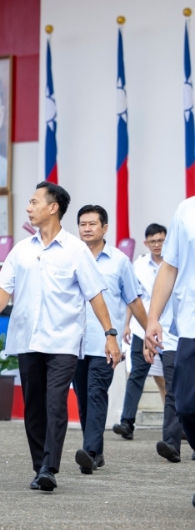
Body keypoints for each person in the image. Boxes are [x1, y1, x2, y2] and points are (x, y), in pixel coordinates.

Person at [0, 181, 120, 493]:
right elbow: (5, 288)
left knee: (56, 403)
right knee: (33, 407)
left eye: (34, 202)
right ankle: (38, 465)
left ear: (53, 207)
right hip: (27, 341)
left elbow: (95, 296)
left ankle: (49, 466)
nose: (29, 208)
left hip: (63, 342)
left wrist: (109, 334)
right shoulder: (22, 250)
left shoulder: (75, 250)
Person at [73, 205, 145, 474]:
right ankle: (96, 452)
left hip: (106, 343)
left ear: (105, 228)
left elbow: (133, 299)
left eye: (92, 224)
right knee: (82, 399)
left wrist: (149, 330)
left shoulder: (119, 261)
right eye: (82, 224)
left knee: (96, 393)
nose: (87, 228)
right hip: (74, 343)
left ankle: (89, 451)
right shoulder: (71, 257)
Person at [144, 197, 195, 495]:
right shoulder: (187, 209)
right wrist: (153, 317)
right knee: (187, 406)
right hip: (190, 325)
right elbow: (169, 267)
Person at [114, 224, 170, 441]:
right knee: (137, 374)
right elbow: (132, 297)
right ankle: (127, 422)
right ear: (146, 243)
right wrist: (127, 324)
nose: (157, 245)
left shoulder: (174, 263)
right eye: (152, 241)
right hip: (142, 326)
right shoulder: (138, 265)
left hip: (169, 328)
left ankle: (174, 424)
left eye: (161, 240)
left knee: (167, 379)